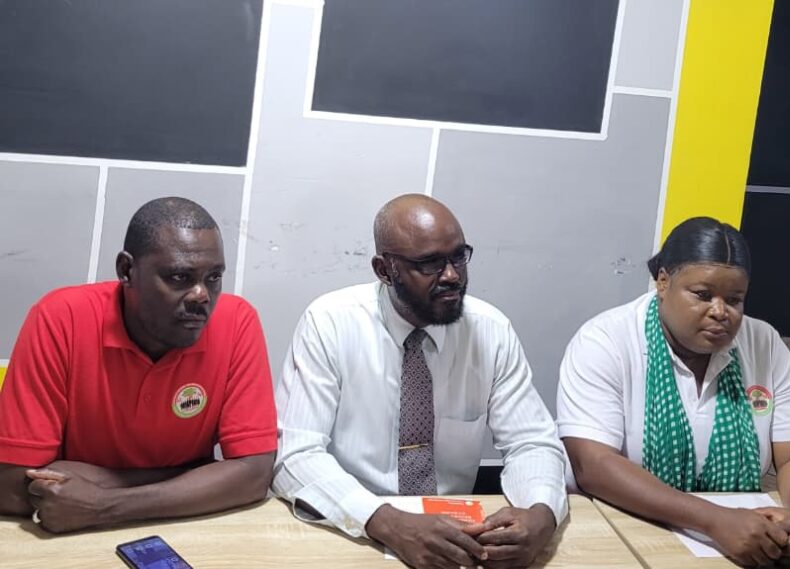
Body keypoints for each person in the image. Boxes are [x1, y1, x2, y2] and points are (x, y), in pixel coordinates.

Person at [272, 194, 566, 569]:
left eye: (459, 257)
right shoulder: (329, 323)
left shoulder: (491, 331)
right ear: (384, 270)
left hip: (458, 540)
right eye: (430, 264)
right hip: (352, 529)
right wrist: (387, 522)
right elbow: (296, 455)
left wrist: (541, 513)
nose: (452, 275)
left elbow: (531, 442)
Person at [556, 217, 790, 568]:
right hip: (620, 531)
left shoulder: (764, 343)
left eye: (735, 300)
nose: (720, 312)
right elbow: (593, 465)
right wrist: (714, 521)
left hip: (738, 542)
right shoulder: (606, 341)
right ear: (663, 282)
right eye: (703, 295)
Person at [0, 197, 277, 533]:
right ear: (127, 271)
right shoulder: (61, 319)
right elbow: (10, 486)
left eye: (214, 277)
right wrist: (195, 475)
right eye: (179, 276)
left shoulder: (236, 322)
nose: (201, 295)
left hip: (184, 530)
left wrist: (105, 504)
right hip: (68, 538)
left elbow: (254, 475)